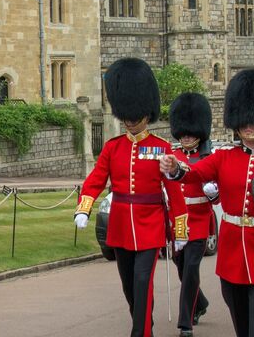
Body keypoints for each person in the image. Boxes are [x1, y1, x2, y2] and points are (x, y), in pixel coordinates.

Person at [160, 69, 254, 337]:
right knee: (242, 327)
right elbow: (195, 173)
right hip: (232, 257)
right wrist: (174, 167)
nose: (248, 125)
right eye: (244, 120)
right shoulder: (225, 158)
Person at [74, 57, 189, 337]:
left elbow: (175, 193)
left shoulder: (161, 148)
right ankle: (143, 321)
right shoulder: (113, 148)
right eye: (126, 115)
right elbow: (95, 180)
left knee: (142, 282)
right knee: (130, 287)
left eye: (135, 116)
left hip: (150, 228)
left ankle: (140, 333)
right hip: (121, 227)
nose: (130, 121)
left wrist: (181, 229)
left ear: (146, 113)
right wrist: (84, 208)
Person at [168, 92, 218, 337]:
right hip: (178, 221)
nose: (186, 137)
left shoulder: (209, 158)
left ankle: (185, 323)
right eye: (183, 133)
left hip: (199, 220)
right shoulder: (173, 157)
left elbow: (217, 197)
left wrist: (212, 192)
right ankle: (201, 303)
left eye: (190, 133)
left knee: (190, 271)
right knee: (180, 267)